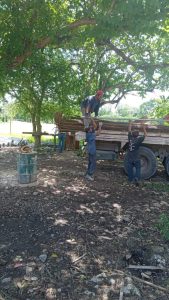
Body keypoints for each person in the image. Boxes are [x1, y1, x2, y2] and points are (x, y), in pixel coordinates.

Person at [127, 120, 147, 186]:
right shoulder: (139, 140)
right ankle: (136, 178)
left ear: (132, 134)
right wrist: (143, 126)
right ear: (138, 135)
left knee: (130, 169)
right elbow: (145, 134)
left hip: (130, 157)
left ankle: (130, 180)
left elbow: (129, 130)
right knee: (138, 168)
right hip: (136, 158)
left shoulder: (130, 138)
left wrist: (130, 123)